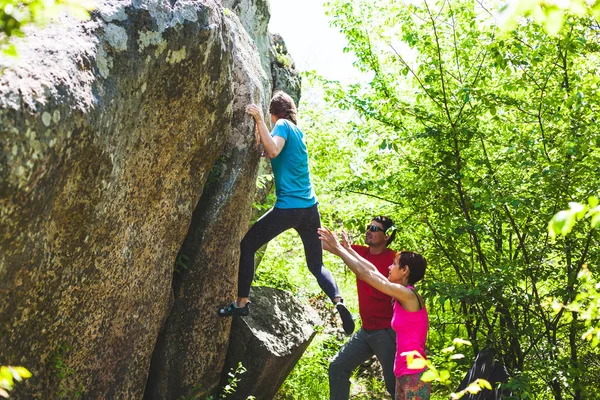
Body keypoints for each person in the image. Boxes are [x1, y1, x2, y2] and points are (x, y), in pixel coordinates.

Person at [217, 91, 355, 335]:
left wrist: (259, 120)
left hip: (289, 208)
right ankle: (338, 301)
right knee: (316, 265)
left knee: (248, 245)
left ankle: (241, 303)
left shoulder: (281, 124)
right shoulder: (298, 133)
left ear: (274, 113)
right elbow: (278, 154)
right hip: (310, 208)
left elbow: (274, 151)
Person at [318, 227, 430, 400]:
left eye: (394, 264)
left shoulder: (408, 295)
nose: (389, 267)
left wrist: (339, 249)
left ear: (405, 270)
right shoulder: (401, 292)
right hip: (403, 370)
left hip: (413, 373)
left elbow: (365, 274)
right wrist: (347, 250)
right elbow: (373, 271)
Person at [325, 216, 398, 399]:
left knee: (394, 386)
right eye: (369, 227)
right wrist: (300, 221)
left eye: (375, 229)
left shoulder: (394, 261)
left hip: (386, 332)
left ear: (387, 236)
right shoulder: (359, 252)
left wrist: (342, 249)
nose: (369, 231)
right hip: (366, 332)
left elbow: (368, 273)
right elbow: (324, 245)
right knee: (338, 367)